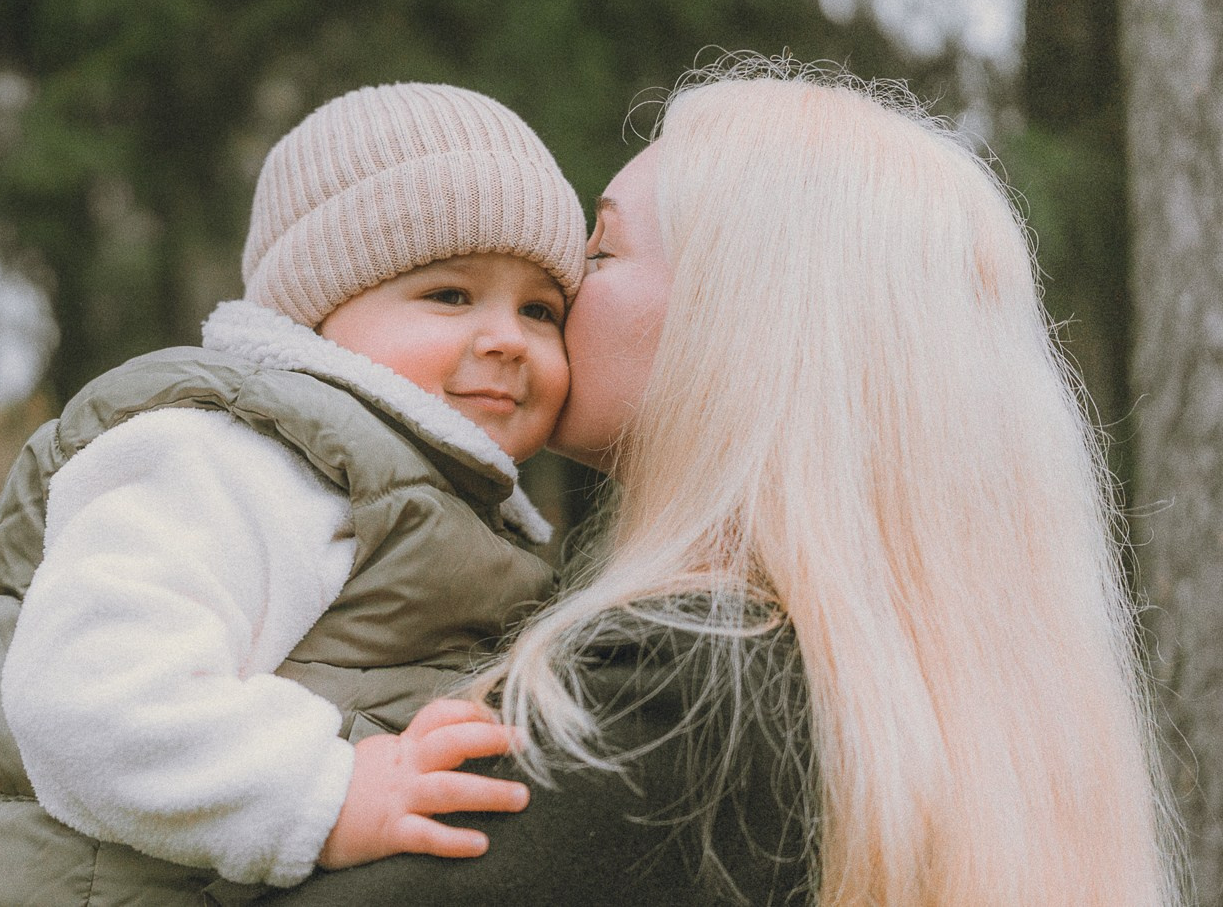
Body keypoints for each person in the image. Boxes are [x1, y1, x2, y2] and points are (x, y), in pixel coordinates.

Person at [268, 58, 1181, 907]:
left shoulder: (687, 693)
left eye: (602, 253)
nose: (559, 293)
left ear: (744, 317)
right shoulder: (901, 697)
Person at [0, 82, 589, 906]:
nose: (506, 339)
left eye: (542, 310)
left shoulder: (434, 494)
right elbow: (92, 695)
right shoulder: (248, 457)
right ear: (316, 311)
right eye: (449, 294)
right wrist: (331, 792)